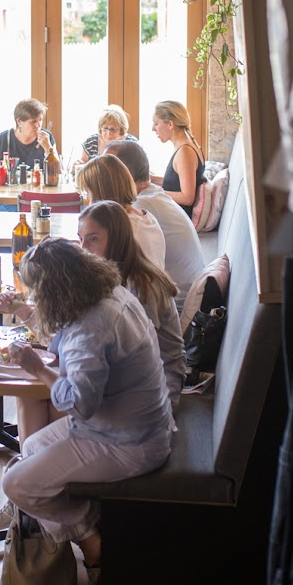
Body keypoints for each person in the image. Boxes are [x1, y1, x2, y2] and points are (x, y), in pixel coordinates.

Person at [0, 237, 173, 585]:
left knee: (15, 483)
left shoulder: (90, 328)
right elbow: (67, 333)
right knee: (31, 447)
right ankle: (72, 519)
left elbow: (79, 403)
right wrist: (23, 310)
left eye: (35, 293)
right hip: (140, 424)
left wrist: (38, 369)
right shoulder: (109, 294)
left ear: (52, 290)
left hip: (128, 443)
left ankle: (90, 536)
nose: (34, 298)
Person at [77, 201, 187, 412]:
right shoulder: (105, 274)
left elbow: (139, 355)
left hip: (158, 385)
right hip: (129, 374)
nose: (83, 249)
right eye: (80, 239)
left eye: (92, 240)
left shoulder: (143, 284)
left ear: (116, 240)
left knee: (64, 393)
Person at [104, 138, 205, 310]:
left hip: (176, 306)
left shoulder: (141, 207)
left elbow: (117, 264)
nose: (101, 174)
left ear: (124, 173)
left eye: (106, 168)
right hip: (181, 297)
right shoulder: (151, 196)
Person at [76, 153, 166, 268]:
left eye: (88, 191)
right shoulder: (145, 216)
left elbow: (102, 269)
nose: (87, 198)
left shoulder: (122, 226)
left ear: (100, 192)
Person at [150, 100, 206, 218]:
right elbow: (178, 182)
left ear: (170, 124)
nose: (153, 129)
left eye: (156, 124)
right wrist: (152, 179)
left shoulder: (185, 152)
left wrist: (154, 193)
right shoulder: (187, 145)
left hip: (178, 218)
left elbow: (187, 198)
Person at [0, 97, 55, 169]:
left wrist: (48, 149)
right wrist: (1, 171)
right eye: (33, 121)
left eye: (40, 120)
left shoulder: (47, 138)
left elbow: (59, 172)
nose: (39, 125)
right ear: (19, 122)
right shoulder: (4, 139)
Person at [74, 104, 139, 167]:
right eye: (105, 128)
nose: (109, 133)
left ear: (121, 129)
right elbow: (81, 171)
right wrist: (76, 167)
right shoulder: (91, 142)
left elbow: (141, 172)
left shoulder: (132, 144)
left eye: (113, 129)